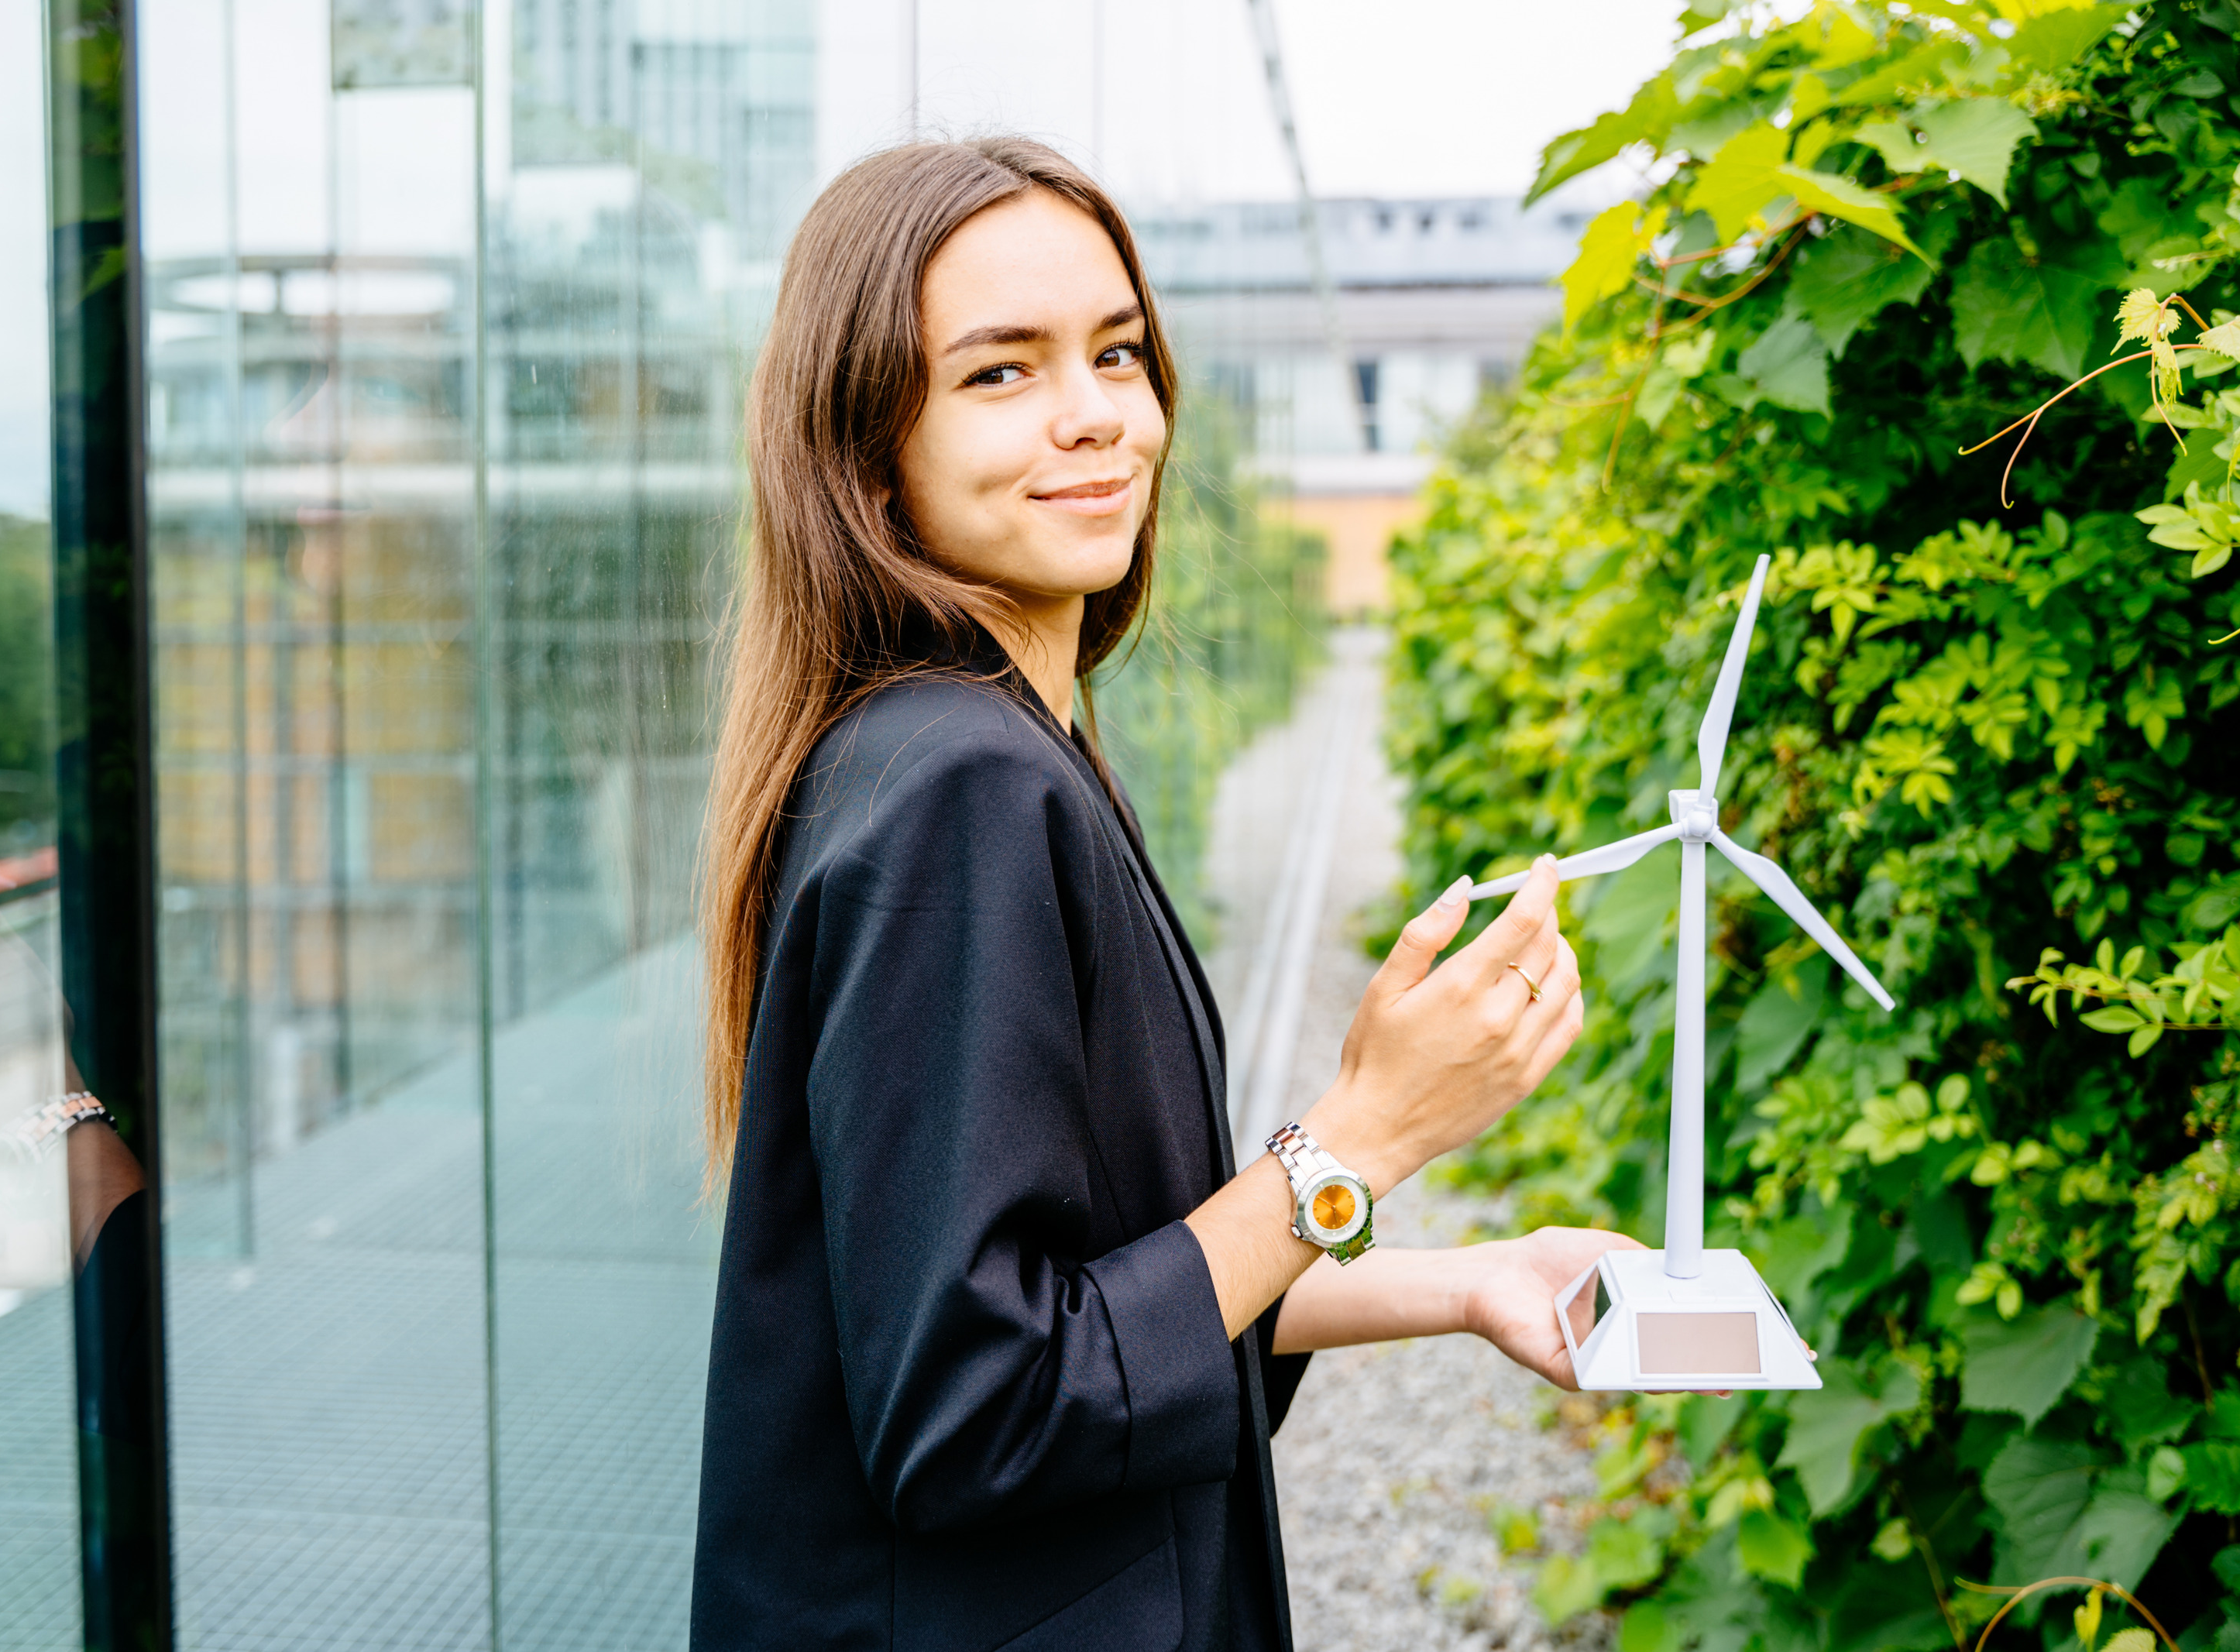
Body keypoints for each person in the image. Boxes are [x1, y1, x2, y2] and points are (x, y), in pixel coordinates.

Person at [693, 136, 1636, 1652]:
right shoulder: (961, 790)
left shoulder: (996, 748)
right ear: (868, 457)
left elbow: (1112, 1292)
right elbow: (985, 1404)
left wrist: (1477, 1280)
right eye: (1000, 371)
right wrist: (1363, 1132)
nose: (1094, 414)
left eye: (1117, 351)